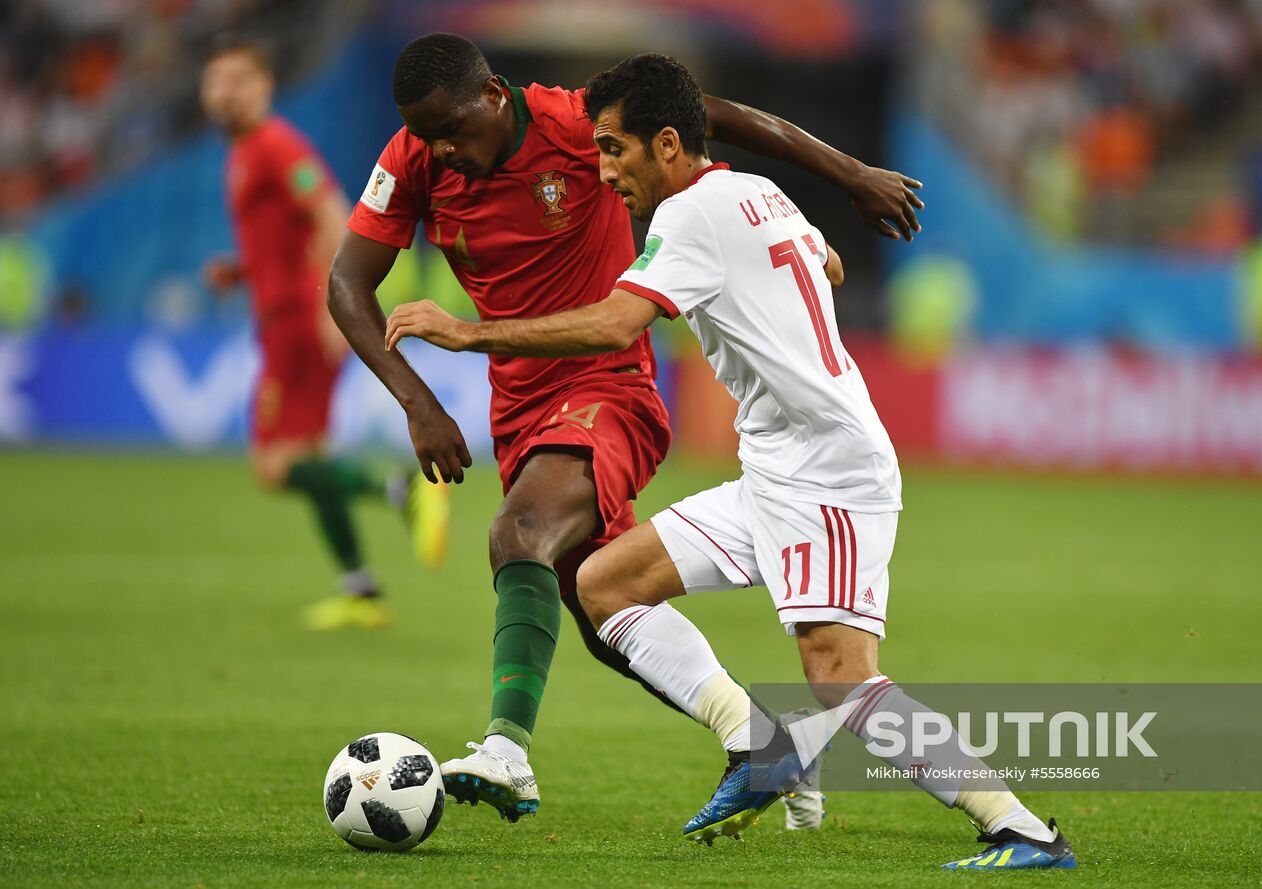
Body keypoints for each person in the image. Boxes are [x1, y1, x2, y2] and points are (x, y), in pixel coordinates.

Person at [383, 54, 1075, 871]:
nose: (604, 173)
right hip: (774, 469)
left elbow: (614, 324)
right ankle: (760, 743)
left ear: (667, 144)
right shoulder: (756, 192)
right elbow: (828, 262)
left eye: (615, 150)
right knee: (605, 584)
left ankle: (1020, 827)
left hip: (829, 473)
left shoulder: (692, 215)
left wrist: (467, 333)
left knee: (841, 678)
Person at [330, 33, 925, 824]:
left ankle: (507, 753)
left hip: (608, 386)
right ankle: (762, 740)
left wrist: (852, 175)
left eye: (452, 130)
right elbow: (347, 283)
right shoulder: (413, 159)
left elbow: (713, 116)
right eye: (425, 134)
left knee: (518, 533)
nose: (441, 148)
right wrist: (417, 401)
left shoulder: (575, 122)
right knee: (599, 609)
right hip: (519, 405)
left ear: (494, 97)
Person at [200, 36, 448, 631]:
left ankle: (402, 489)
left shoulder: (275, 145)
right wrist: (242, 271)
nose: (226, 93)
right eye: (217, 81)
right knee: (309, 460)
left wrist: (329, 308)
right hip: (283, 317)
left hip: (297, 324)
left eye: (239, 80)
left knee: (274, 465)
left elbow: (331, 216)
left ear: (265, 87)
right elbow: (284, 236)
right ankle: (360, 589)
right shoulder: (244, 153)